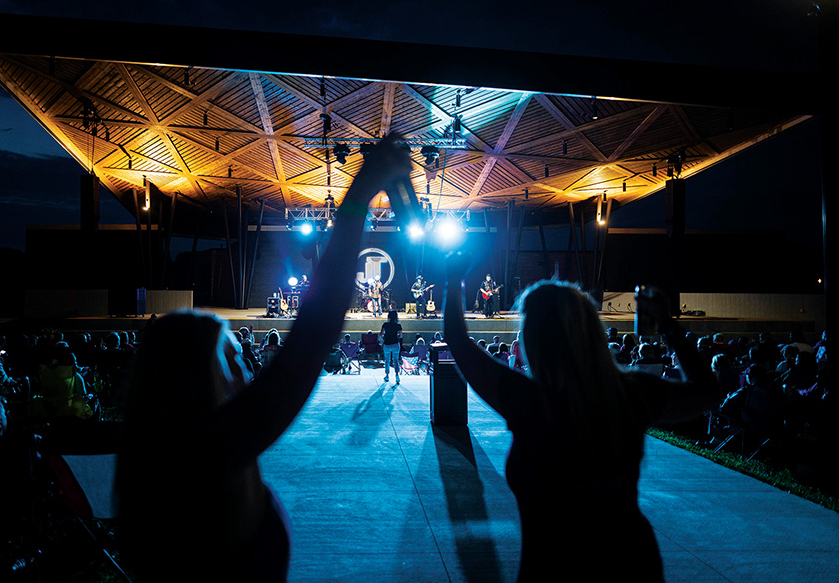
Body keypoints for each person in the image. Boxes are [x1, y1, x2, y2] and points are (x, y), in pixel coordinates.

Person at [116, 134, 413, 582]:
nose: (244, 364)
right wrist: (361, 190)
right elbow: (311, 338)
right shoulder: (207, 454)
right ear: (198, 376)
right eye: (231, 355)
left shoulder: (160, 461)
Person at [442, 251, 721, 582]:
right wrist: (667, 326)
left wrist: (454, 282)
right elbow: (707, 393)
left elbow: (458, 342)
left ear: (534, 339)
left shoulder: (530, 401)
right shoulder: (630, 393)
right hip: (630, 561)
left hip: (552, 564)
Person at [380, 310, 403, 385]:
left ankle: (387, 375)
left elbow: (381, 334)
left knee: (387, 360)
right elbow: (400, 336)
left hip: (387, 344)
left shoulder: (385, 324)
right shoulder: (398, 325)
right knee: (396, 360)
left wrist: (384, 338)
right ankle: (397, 375)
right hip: (395, 344)